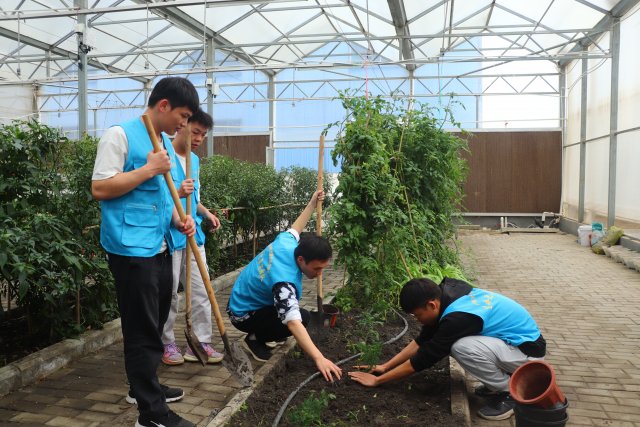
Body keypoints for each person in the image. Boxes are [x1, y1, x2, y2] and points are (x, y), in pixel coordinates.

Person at [91, 76, 199, 427]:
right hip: (130, 248)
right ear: (164, 105)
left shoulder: (163, 141)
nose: (184, 125)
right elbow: (100, 187)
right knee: (141, 328)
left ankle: (144, 386)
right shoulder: (119, 135)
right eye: (183, 116)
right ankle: (151, 414)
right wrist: (149, 168)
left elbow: (161, 194)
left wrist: (179, 220)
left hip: (159, 244)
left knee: (156, 320)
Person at [348, 277, 546, 421]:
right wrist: (385, 366)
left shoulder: (457, 319)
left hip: (527, 353)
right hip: (511, 345)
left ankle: (511, 392)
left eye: (417, 315)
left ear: (431, 305)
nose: (417, 320)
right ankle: (500, 382)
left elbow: (424, 358)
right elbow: (423, 340)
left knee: (461, 347)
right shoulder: (447, 294)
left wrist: (378, 380)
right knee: (459, 344)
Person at [227, 191, 342, 382]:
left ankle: (266, 331)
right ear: (301, 259)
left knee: (290, 315)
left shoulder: (287, 242)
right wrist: (319, 358)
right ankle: (255, 338)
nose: (320, 273)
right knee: (301, 318)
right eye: (317, 268)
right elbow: (293, 322)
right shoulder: (284, 283)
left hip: (242, 298)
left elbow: (297, 227)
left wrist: (312, 203)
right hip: (241, 315)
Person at [162, 108, 224, 365]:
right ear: (182, 125)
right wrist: (178, 192)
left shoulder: (194, 161)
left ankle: (199, 342)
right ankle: (166, 343)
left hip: (193, 235)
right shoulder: (163, 154)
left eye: (203, 135)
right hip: (169, 236)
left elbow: (193, 199)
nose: (198, 139)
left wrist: (206, 213)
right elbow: (159, 196)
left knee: (201, 290)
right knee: (168, 294)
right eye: (196, 132)